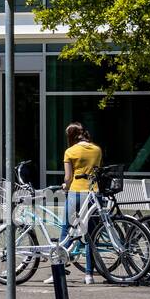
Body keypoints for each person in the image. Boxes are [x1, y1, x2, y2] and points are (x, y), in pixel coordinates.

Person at [56, 121, 102, 284]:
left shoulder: (70, 151)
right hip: (93, 194)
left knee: (66, 230)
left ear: (71, 136)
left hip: (75, 193)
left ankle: (59, 268)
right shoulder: (97, 150)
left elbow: (68, 177)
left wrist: (65, 186)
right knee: (90, 235)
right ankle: (89, 275)